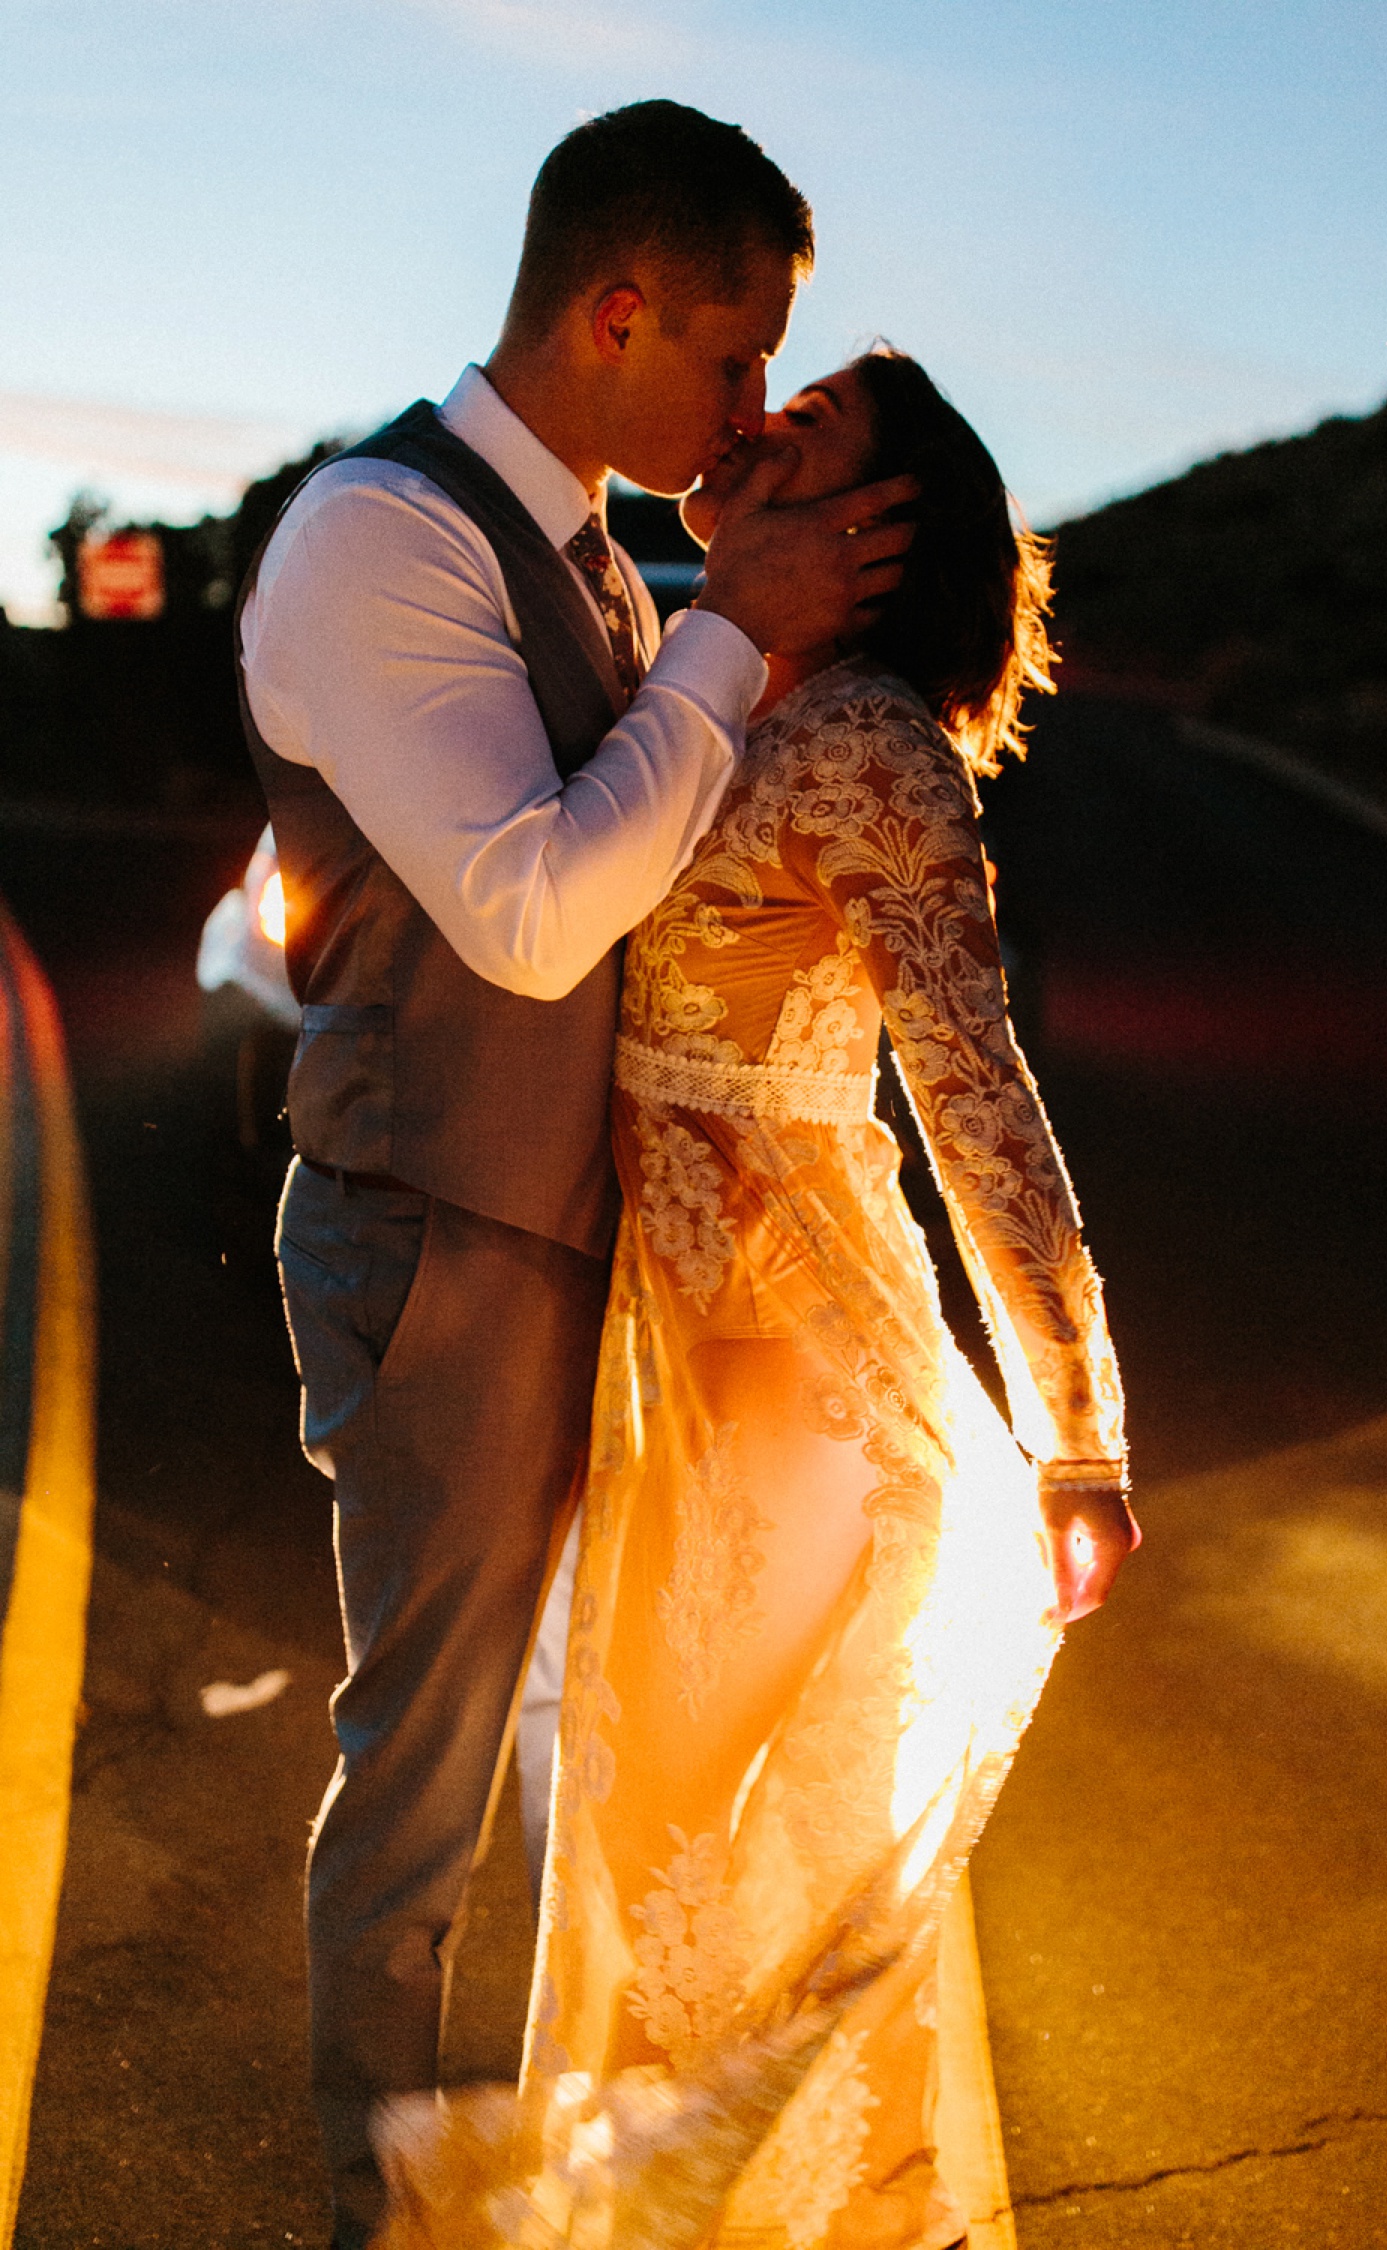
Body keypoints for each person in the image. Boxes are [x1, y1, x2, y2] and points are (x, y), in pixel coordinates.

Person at [237, 102, 919, 2249]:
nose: (743, 406)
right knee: (429, 1775)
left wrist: (725, 605)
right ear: (617, 310)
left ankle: (534, 2185)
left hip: (577, 1255)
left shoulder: (612, 563)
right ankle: (385, 2203)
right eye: (732, 360)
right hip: (439, 1241)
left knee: (600, 1773)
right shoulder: (382, 535)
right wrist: (738, 630)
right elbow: (536, 908)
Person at [376, 349, 1139, 2249]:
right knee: (657, 1891)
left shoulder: (870, 742)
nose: (759, 425)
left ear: (876, 534)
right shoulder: (694, 692)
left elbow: (974, 1096)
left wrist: (1078, 1428)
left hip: (798, 1397)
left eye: (811, 435)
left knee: (717, 1911)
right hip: (677, 1385)